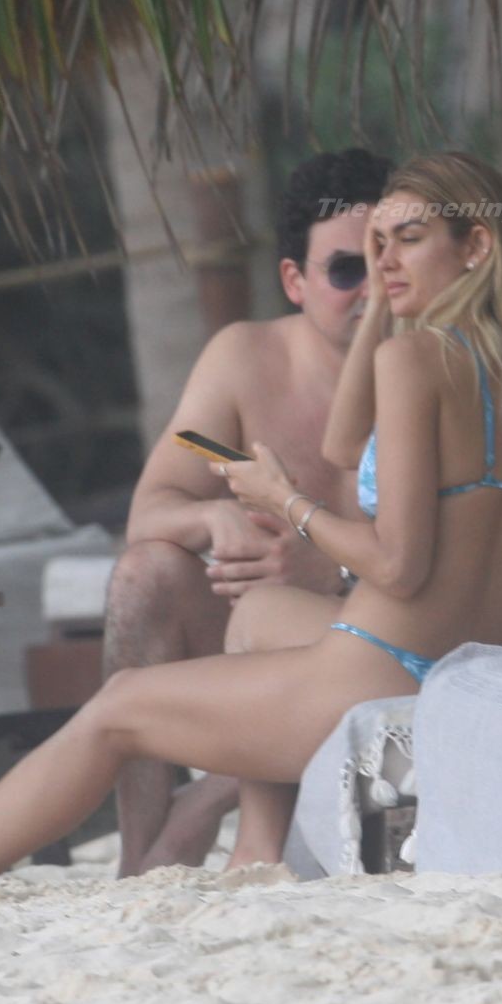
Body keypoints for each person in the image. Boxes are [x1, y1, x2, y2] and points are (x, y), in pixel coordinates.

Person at [0, 152, 502, 890]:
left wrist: (283, 502)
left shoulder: (416, 363)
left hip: (379, 671)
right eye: (374, 247)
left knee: (117, 709)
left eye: (409, 240)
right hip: (466, 667)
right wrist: (382, 310)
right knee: (261, 612)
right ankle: (258, 848)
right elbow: (343, 445)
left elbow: (400, 566)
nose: (384, 264)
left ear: (476, 246)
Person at [105, 149, 389, 877]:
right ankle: (141, 863)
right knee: (144, 574)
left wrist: (327, 569)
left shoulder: (433, 372)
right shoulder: (244, 359)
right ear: (295, 281)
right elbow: (151, 508)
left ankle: (205, 806)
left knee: (270, 614)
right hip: (262, 636)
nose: (372, 290)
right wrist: (213, 521)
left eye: (387, 263)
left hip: (387, 641)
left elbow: (451, 570)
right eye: (346, 270)